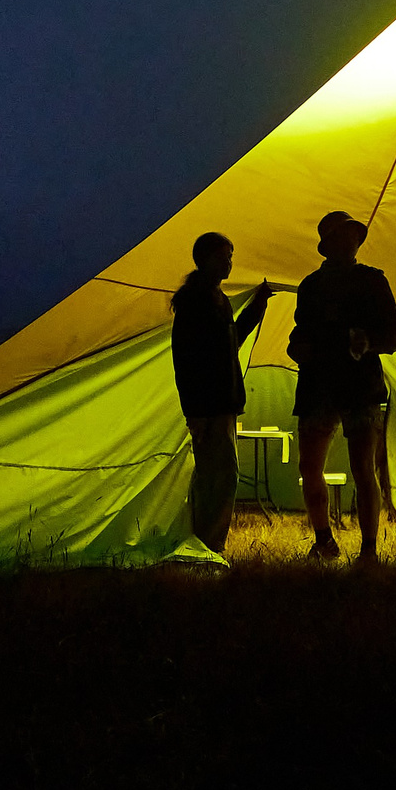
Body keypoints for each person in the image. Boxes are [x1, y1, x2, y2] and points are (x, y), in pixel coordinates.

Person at [288, 210, 396, 562]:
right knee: (311, 467)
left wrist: (367, 342)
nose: (349, 242)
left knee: (362, 469)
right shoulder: (311, 286)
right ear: (330, 245)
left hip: (355, 386)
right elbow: (299, 334)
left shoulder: (372, 281)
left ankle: (367, 550)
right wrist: (298, 349)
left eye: (352, 235)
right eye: (343, 236)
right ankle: (325, 540)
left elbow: (394, 335)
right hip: (326, 384)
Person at [170, 233, 273, 554]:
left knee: (214, 474)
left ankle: (206, 540)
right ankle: (209, 544)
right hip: (208, 404)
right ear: (204, 259)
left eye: (230, 256)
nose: (228, 263)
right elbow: (185, 358)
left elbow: (233, 341)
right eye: (223, 257)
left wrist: (258, 306)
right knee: (220, 475)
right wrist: (195, 413)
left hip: (221, 402)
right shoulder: (195, 301)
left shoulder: (217, 298)